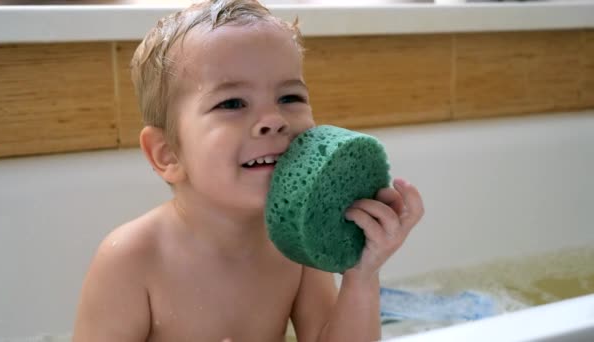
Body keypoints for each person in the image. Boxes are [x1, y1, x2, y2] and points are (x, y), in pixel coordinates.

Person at [73, 1, 424, 341]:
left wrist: (361, 274)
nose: (273, 120)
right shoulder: (133, 259)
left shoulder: (296, 244)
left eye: (290, 98)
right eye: (232, 103)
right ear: (168, 155)